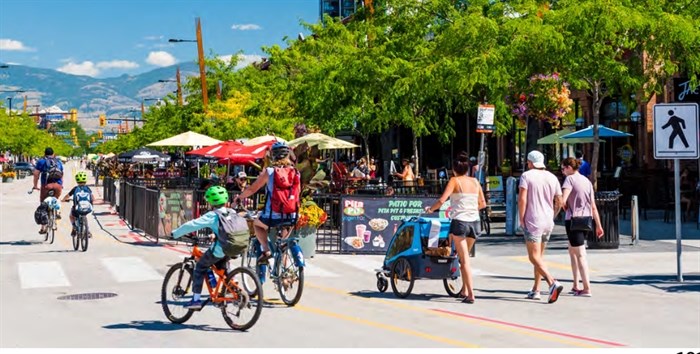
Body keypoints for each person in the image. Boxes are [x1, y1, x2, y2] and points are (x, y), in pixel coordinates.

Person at [425, 151, 486, 304]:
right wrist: (471, 209)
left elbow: (442, 199)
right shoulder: (475, 182)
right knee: (464, 258)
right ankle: (464, 290)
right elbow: (483, 204)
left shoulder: (454, 180)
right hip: (475, 223)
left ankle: (471, 294)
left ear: (454, 169)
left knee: (464, 260)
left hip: (460, 222)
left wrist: (431, 210)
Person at [170, 186, 235, 310]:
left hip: (221, 248)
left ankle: (195, 300)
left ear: (211, 202)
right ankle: (231, 287)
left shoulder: (213, 215)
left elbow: (192, 225)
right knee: (221, 266)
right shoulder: (231, 211)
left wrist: (176, 233)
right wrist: (215, 234)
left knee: (200, 266)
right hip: (235, 246)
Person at [235, 142, 300, 263]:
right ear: (288, 155)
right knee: (284, 240)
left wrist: (238, 198)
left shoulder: (269, 172)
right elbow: (298, 193)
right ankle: (284, 273)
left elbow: (252, 189)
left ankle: (266, 250)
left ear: (273, 156)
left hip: (272, 215)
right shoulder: (296, 172)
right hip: (291, 214)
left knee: (257, 224)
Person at [518, 150, 564, 303]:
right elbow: (559, 200)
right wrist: (553, 215)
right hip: (547, 220)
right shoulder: (552, 177)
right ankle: (536, 289)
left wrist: (521, 217)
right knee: (539, 257)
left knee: (533, 256)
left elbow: (522, 199)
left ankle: (552, 282)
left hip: (533, 219)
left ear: (530, 162)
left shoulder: (526, 176)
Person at [560, 157, 604, 297]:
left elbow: (563, 199)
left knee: (580, 254)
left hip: (573, 220)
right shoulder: (587, 181)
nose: (562, 171)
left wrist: (563, 206)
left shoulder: (569, 180)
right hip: (586, 220)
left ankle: (586, 288)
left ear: (568, 168)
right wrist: (599, 225)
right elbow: (593, 206)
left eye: (562, 168)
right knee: (572, 251)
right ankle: (575, 284)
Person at [32, 147, 64, 234]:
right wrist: (61, 185)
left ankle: (43, 228)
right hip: (58, 186)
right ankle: (57, 213)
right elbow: (62, 174)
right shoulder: (58, 162)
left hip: (46, 186)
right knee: (56, 199)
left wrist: (35, 185)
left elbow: (36, 174)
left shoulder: (41, 161)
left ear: (44, 153)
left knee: (43, 205)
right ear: (53, 154)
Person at [61, 171, 94, 238]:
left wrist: (63, 200)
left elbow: (68, 196)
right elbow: (92, 197)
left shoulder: (75, 188)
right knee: (84, 215)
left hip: (77, 207)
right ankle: (87, 231)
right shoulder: (88, 188)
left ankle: (74, 227)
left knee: (71, 216)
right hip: (87, 207)